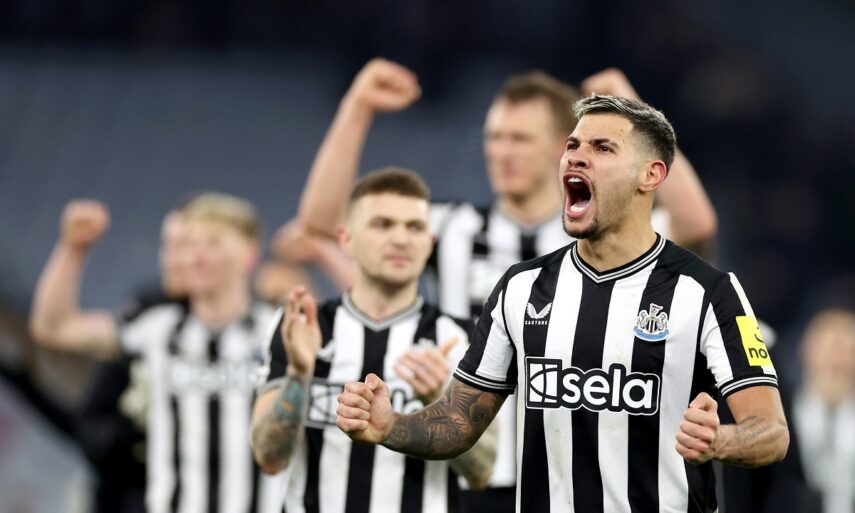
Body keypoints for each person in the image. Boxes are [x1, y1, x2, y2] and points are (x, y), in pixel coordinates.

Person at [293, 58, 719, 511]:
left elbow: (696, 224)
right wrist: (358, 107)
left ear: (563, 146)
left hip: (567, 478)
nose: (501, 152)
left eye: (519, 139)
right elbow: (323, 222)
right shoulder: (452, 227)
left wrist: (629, 111)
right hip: (469, 465)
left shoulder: (604, 234)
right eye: (494, 138)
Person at [250, 168, 496, 513]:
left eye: (415, 227)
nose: (401, 239)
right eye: (383, 225)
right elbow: (269, 457)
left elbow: (482, 472)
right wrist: (299, 374)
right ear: (346, 239)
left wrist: (442, 403)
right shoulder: (304, 327)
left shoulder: (460, 337)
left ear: (430, 243)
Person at [29, 193, 286, 513]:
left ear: (248, 255)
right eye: (190, 245)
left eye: (214, 243)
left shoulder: (279, 331)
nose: (197, 256)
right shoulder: (155, 326)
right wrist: (72, 249)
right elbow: (54, 328)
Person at [75, 206, 191, 513]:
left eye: (185, 247)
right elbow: (54, 329)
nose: (173, 259)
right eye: (168, 246)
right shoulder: (145, 314)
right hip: (126, 495)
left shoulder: (247, 329)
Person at [792, 308, 855, 513]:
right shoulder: (779, 420)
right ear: (805, 351)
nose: (837, 361)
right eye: (829, 348)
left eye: (848, 350)